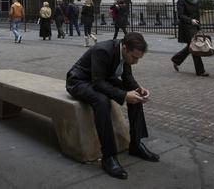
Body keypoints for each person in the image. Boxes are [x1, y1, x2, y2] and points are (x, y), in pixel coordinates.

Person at [66, 32, 159, 179]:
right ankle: (108, 157)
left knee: (135, 96)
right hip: (79, 81)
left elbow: (127, 77)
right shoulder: (102, 50)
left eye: (139, 58)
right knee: (102, 101)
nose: (136, 62)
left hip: (101, 79)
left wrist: (137, 89)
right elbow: (98, 83)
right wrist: (123, 95)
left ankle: (135, 144)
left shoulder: (127, 54)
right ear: (124, 47)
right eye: (134, 57)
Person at [171, 0, 208, 76]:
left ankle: (176, 59)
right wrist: (191, 20)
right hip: (186, 27)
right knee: (195, 46)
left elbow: (197, 14)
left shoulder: (195, 0)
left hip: (194, 26)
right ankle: (200, 71)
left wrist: (199, 25)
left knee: (190, 47)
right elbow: (180, 15)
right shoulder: (181, 1)